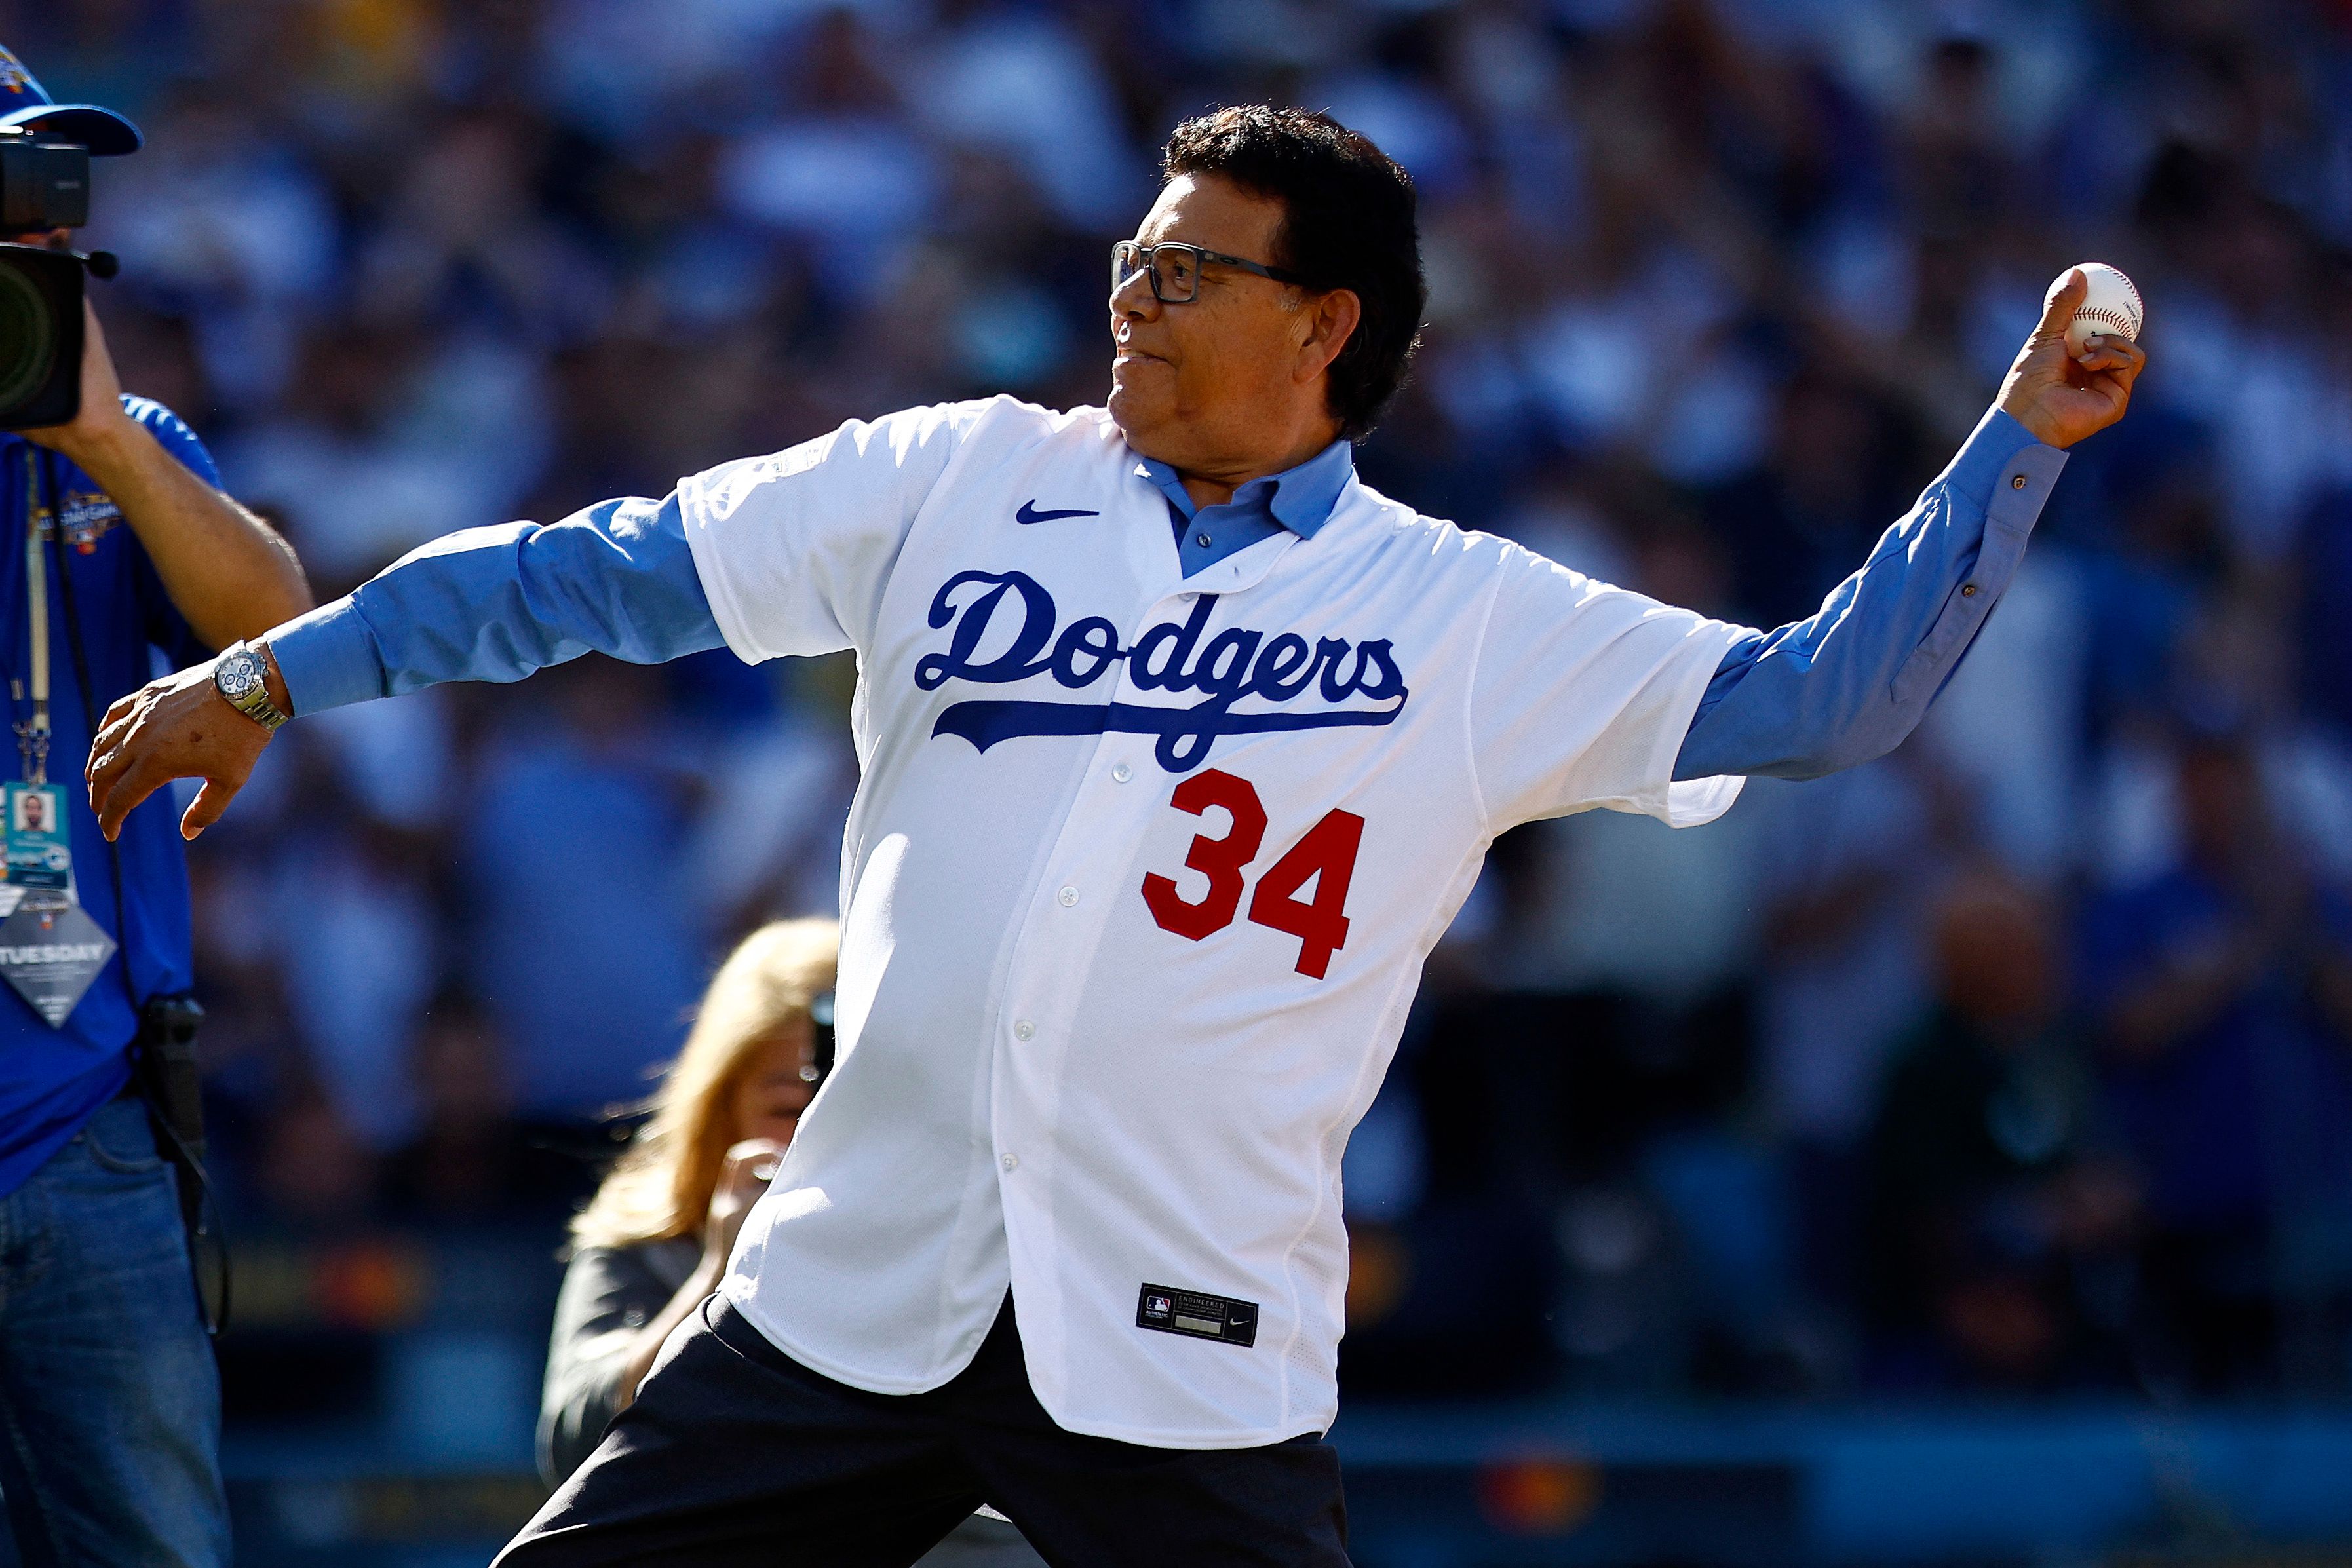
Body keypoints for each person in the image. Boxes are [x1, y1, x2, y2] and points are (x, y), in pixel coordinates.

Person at [89, 105, 2141, 1565]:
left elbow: (1828, 693)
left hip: (1186, 1336)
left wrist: (2014, 447)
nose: (1132, 301)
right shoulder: (949, 476)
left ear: (1323, 322)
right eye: (1126, 265)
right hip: (846, 1294)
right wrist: (268, 676)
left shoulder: (1468, 612)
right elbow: (578, 572)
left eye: (1185, 271)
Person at [0, 43, 313, 1568]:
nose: (39, 238)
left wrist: (109, 438)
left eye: (45, 204)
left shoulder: (116, 448)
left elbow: (274, 630)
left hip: (82, 1131)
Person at [543, 918, 1043, 1566]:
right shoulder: (657, 1231)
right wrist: (721, 1279)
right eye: (788, 1106)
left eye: (848, 1103)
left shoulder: (995, 1233)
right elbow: (575, 1445)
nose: (819, 1136)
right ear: (720, 1107)